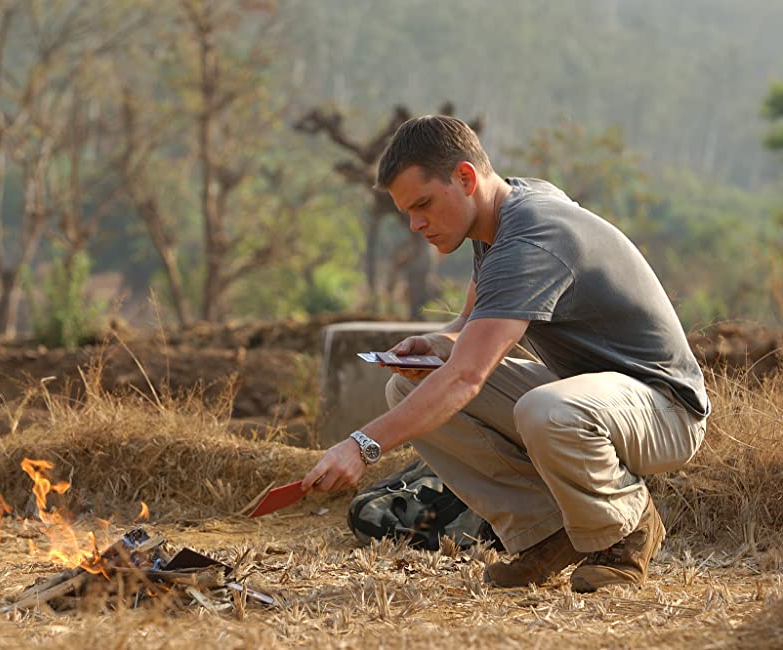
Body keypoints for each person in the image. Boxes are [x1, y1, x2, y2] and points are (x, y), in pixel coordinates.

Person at [300, 115, 709, 592]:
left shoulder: (530, 237)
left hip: (664, 409)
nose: (415, 225)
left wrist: (361, 445)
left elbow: (467, 378)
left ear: (466, 178)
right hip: (597, 399)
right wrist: (439, 344)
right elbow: (464, 331)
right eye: (407, 212)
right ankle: (548, 533)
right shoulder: (503, 213)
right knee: (408, 383)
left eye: (424, 205)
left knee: (544, 410)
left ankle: (625, 529)